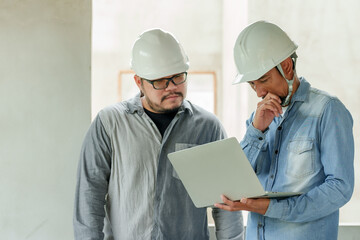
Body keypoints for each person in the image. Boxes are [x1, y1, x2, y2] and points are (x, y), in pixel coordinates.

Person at [73, 28, 244, 240]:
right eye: (160, 81)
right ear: (139, 82)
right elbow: (89, 198)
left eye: (178, 77)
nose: (172, 87)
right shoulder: (109, 124)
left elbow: (226, 204)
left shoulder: (208, 128)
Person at [214, 21, 354, 240]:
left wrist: (274, 208)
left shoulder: (327, 110)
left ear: (287, 66)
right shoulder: (257, 119)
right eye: (252, 84)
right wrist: (255, 131)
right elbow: (233, 181)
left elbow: (340, 188)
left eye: (263, 80)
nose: (259, 91)